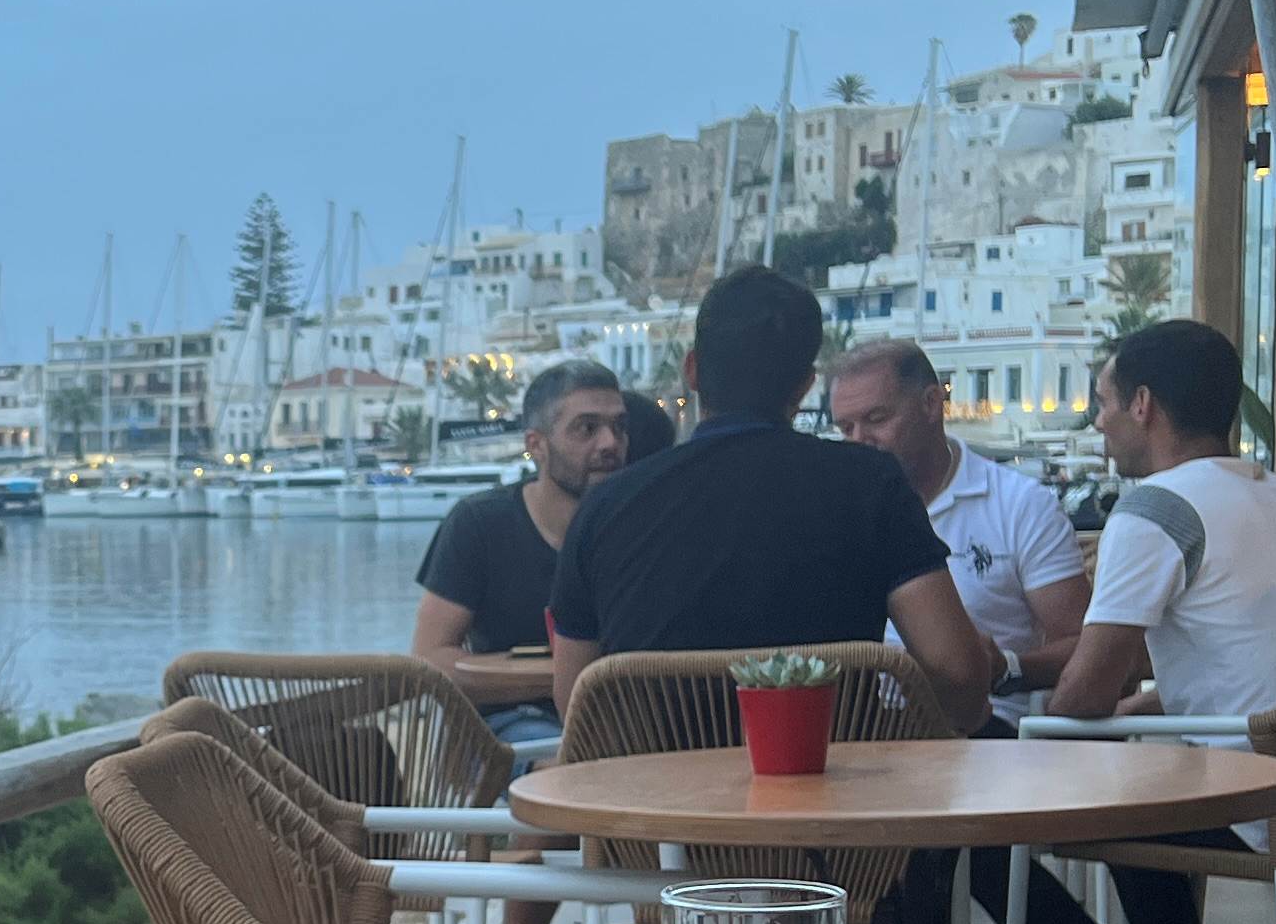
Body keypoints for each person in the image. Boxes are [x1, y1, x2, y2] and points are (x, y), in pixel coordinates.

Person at [1008, 314, 1276, 924]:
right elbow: (1241, 661)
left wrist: (1036, 701)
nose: (1099, 421)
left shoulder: (1154, 509)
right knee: (1126, 751)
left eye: (1104, 401)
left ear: (1144, 404)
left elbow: (1084, 694)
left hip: (1254, 795)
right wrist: (1140, 702)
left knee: (1070, 777)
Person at [545, 268, 995, 717]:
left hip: (655, 784)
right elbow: (957, 676)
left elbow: (575, 706)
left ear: (693, 370)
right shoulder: (870, 484)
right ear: (804, 386)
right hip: (830, 780)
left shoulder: (604, 509)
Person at [823, 339, 1086, 716]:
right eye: (846, 428)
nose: (860, 442)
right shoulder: (836, 511)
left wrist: (1007, 668)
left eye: (877, 419)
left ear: (932, 404)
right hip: (864, 732)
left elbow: (1083, 643)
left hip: (985, 736)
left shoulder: (1019, 504)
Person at [412, 358, 662, 749]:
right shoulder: (479, 524)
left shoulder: (642, 530)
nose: (610, 443)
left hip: (625, 723)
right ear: (536, 445)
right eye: (587, 428)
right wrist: (564, 676)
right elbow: (428, 662)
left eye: (619, 426)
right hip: (516, 725)